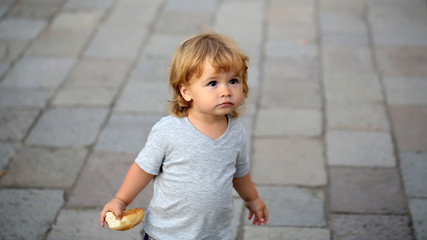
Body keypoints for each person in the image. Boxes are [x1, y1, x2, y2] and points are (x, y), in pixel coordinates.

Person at [100, 32, 268, 239]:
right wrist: (121, 200)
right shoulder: (169, 131)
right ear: (186, 91)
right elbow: (143, 169)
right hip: (166, 233)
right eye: (213, 83)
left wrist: (252, 199)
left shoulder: (236, 131)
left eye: (233, 80)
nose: (225, 90)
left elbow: (239, 173)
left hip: (214, 234)